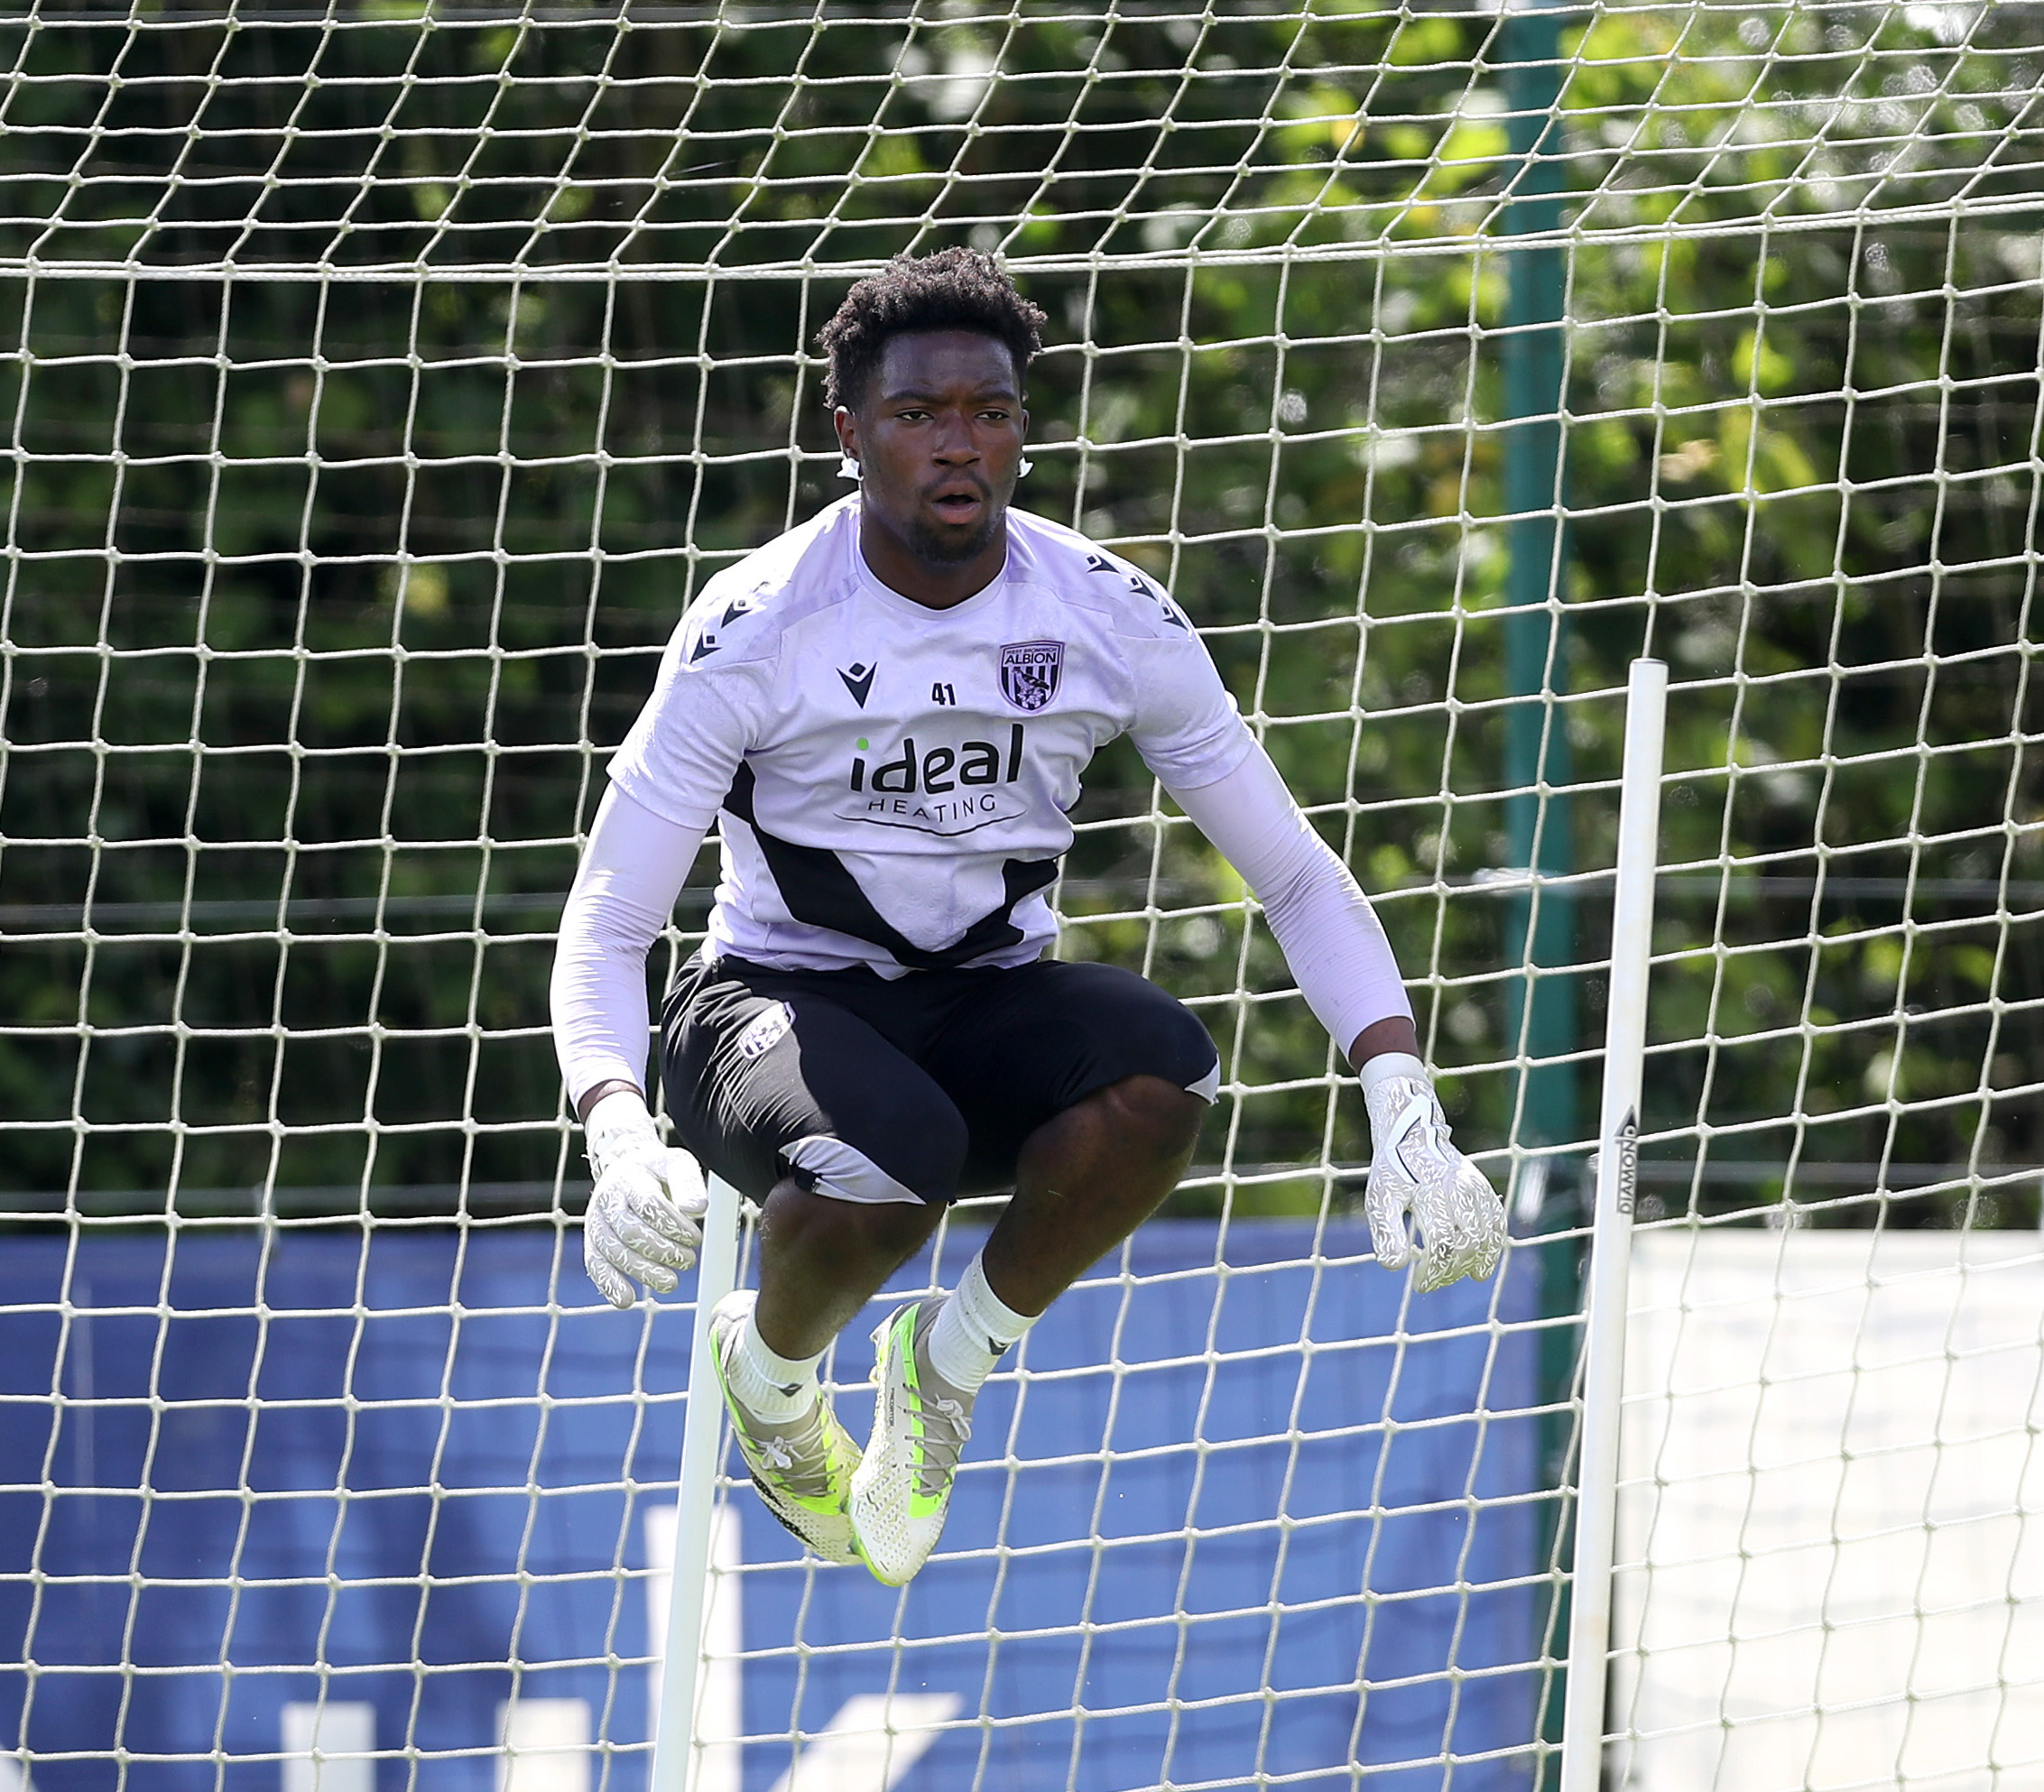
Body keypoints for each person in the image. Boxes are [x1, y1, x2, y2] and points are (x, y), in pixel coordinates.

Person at [550, 246, 1503, 1588]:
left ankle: (941, 1372)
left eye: (989, 413)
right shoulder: (755, 627)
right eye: (917, 415)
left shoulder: (1106, 613)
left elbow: (1291, 874)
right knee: (899, 1159)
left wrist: (1399, 1092)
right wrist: (611, 1124)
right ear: (846, 435)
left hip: (982, 997)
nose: (959, 447)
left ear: (1022, 430)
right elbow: (605, 923)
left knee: (1161, 1070)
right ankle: (769, 1388)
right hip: (767, 1006)